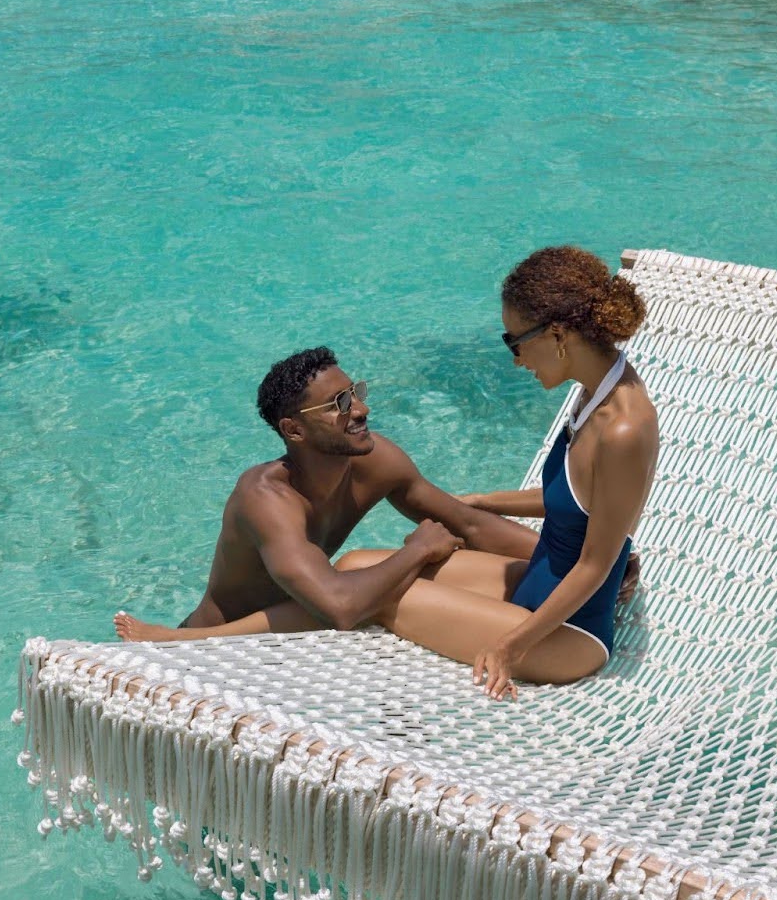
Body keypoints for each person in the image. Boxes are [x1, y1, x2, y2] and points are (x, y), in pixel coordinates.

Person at [117, 246, 657, 701]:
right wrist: (479, 506)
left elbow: (590, 563)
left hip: (567, 629)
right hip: (544, 583)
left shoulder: (624, 427)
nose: (515, 358)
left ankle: (186, 641)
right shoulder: (592, 396)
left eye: (514, 340)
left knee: (377, 592)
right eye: (337, 403)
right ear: (294, 431)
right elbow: (563, 506)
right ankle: (192, 640)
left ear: (558, 333)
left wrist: (511, 645)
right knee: (356, 565)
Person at [113, 346, 542, 642]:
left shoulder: (376, 459)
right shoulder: (265, 498)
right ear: (294, 430)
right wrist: (417, 549)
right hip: (217, 652)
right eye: (338, 403)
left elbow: (468, 523)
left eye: (355, 392)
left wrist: (573, 564)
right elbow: (339, 608)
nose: (360, 409)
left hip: (302, 633)